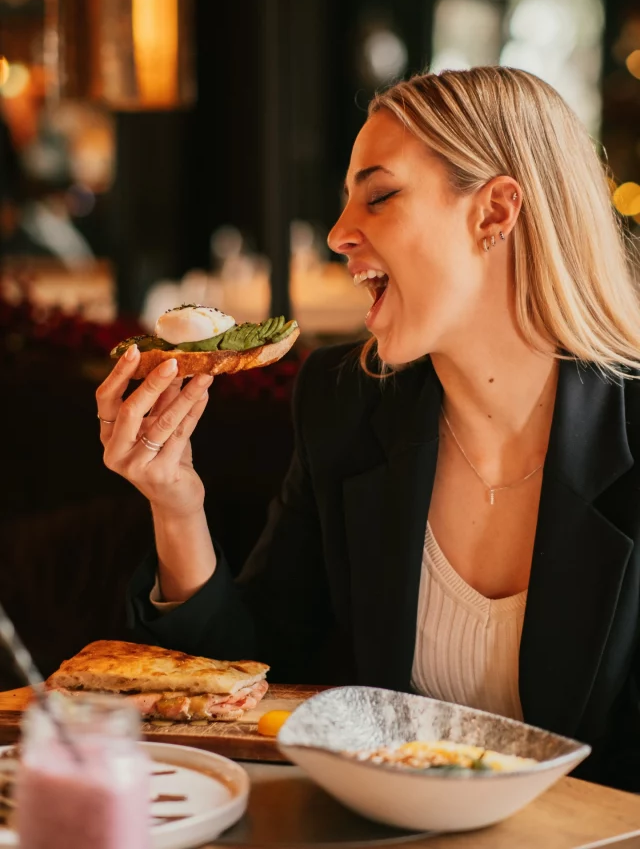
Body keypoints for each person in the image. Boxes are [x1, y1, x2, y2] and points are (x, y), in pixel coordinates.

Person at [96, 67, 640, 791]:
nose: (338, 233)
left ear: (496, 211)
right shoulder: (344, 402)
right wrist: (175, 503)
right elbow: (256, 666)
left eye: (379, 196)